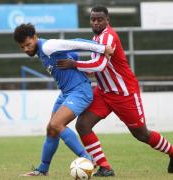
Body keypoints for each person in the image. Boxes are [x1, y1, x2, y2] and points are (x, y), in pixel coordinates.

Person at [57, 5, 173, 177]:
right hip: (104, 93)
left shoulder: (109, 37)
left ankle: (172, 152)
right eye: (93, 19)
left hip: (124, 94)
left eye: (99, 19)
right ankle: (104, 167)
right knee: (83, 125)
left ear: (107, 20)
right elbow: (95, 65)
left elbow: (99, 65)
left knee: (141, 134)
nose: (95, 22)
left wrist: (75, 65)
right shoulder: (95, 38)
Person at [13, 23, 114, 176]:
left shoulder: (48, 46)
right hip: (67, 92)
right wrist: (74, 63)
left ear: (35, 37)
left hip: (80, 91)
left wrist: (102, 48)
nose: (26, 49)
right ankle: (42, 170)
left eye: (28, 44)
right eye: (22, 47)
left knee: (56, 124)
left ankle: (87, 160)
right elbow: (72, 55)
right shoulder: (41, 51)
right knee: (51, 129)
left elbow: (76, 42)